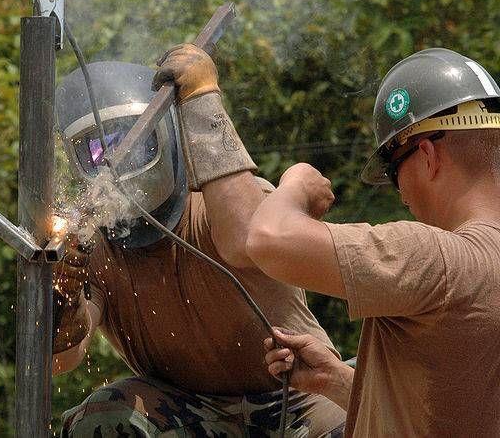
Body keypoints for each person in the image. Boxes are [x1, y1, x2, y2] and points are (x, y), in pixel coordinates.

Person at [52, 44, 346, 436]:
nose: (115, 161)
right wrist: (62, 299)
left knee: (380, 398)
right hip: (189, 415)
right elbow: (63, 359)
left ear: (166, 136)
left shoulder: (225, 203)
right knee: (100, 419)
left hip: (300, 399)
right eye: (96, 149)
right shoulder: (90, 248)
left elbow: (246, 239)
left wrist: (203, 101)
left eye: (132, 143)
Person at [247, 47, 500, 436]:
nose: (401, 195)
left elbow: (267, 238)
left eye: (395, 172)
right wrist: (335, 379)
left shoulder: (436, 260)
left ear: (428, 156)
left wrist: (296, 181)